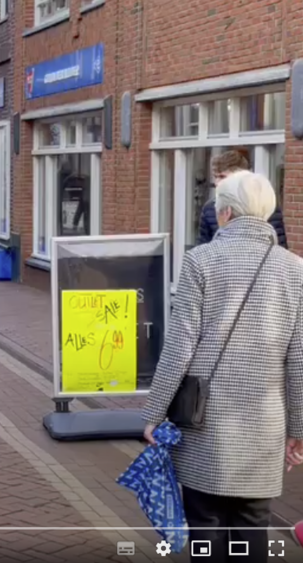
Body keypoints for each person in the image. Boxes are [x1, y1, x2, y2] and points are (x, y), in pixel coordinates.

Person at [142, 170, 303, 561]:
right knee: (252, 523)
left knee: (204, 521)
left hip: (204, 424)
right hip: (264, 426)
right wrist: (298, 428)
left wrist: (154, 413)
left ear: (226, 213)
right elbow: (298, 359)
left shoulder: (200, 260)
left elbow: (179, 347)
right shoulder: (296, 269)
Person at [197, 149, 287, 248]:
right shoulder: (210, 208)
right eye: (215, 177)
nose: (217, 182)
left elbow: (279, 246)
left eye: (223, 177)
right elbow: (203, 246)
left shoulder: (264, 206)